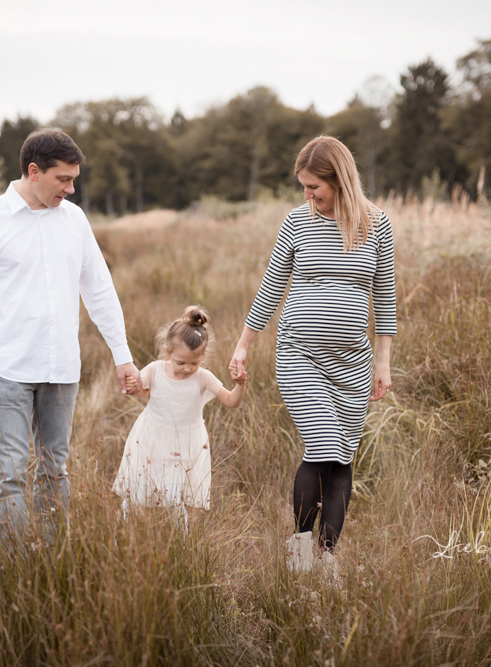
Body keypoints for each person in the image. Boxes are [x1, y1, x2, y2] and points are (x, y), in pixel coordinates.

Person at [0, 128, 140, 548]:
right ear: (33, 171)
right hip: (6, 371)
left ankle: (53, 564)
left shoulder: (74, 220)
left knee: (55, 468)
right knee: (10, 474)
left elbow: (99, 290)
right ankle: (22, 572)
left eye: (74, 179)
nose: (71, 189)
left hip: (61, 370)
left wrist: (122, 355)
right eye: (63, 179)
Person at [229, 135, 396, 576]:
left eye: (313, 187)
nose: (308, 196)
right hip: (299, 353)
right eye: (303, 187)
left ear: (339, 181)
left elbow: (385, 296)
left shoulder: (377, 225)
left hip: (354, 363)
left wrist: (383, 361)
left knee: (342, 458)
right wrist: (244, 343)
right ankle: (300, 552)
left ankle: (327, 560)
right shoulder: (297, 223)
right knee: (321, 447)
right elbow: (271, 286)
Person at [112, 306, 245, 531]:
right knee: (137, 492)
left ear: (203, 357)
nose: (187, 369)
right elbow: (142, 391)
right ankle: (120, 533)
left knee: (174, 498)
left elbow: (232, 401)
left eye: (194, 363)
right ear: (168, 352)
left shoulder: (203, 378)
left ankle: (179, 542)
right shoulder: (155, 370)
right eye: (180, 363)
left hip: (183, 447)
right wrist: (134, 386)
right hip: (150, 439)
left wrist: (240, 384)